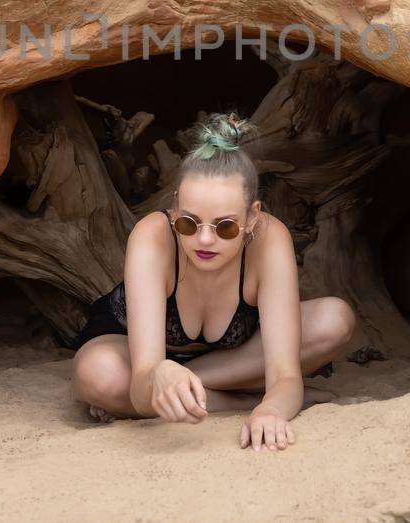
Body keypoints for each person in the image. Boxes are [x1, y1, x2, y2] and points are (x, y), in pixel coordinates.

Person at [69, 111, 359, 451]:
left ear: (252, 217)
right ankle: (237, 400)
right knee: (96, 373)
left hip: (231, 361)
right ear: (175, 209)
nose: (204, 240)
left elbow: (284, 374)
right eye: (190, 224)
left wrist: (272, 408)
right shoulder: (152, 235)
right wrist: (155, 375)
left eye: (225, 227)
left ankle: (193, 395)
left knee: (335, 319)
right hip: (136, 357)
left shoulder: (270, 239)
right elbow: (143, 379)